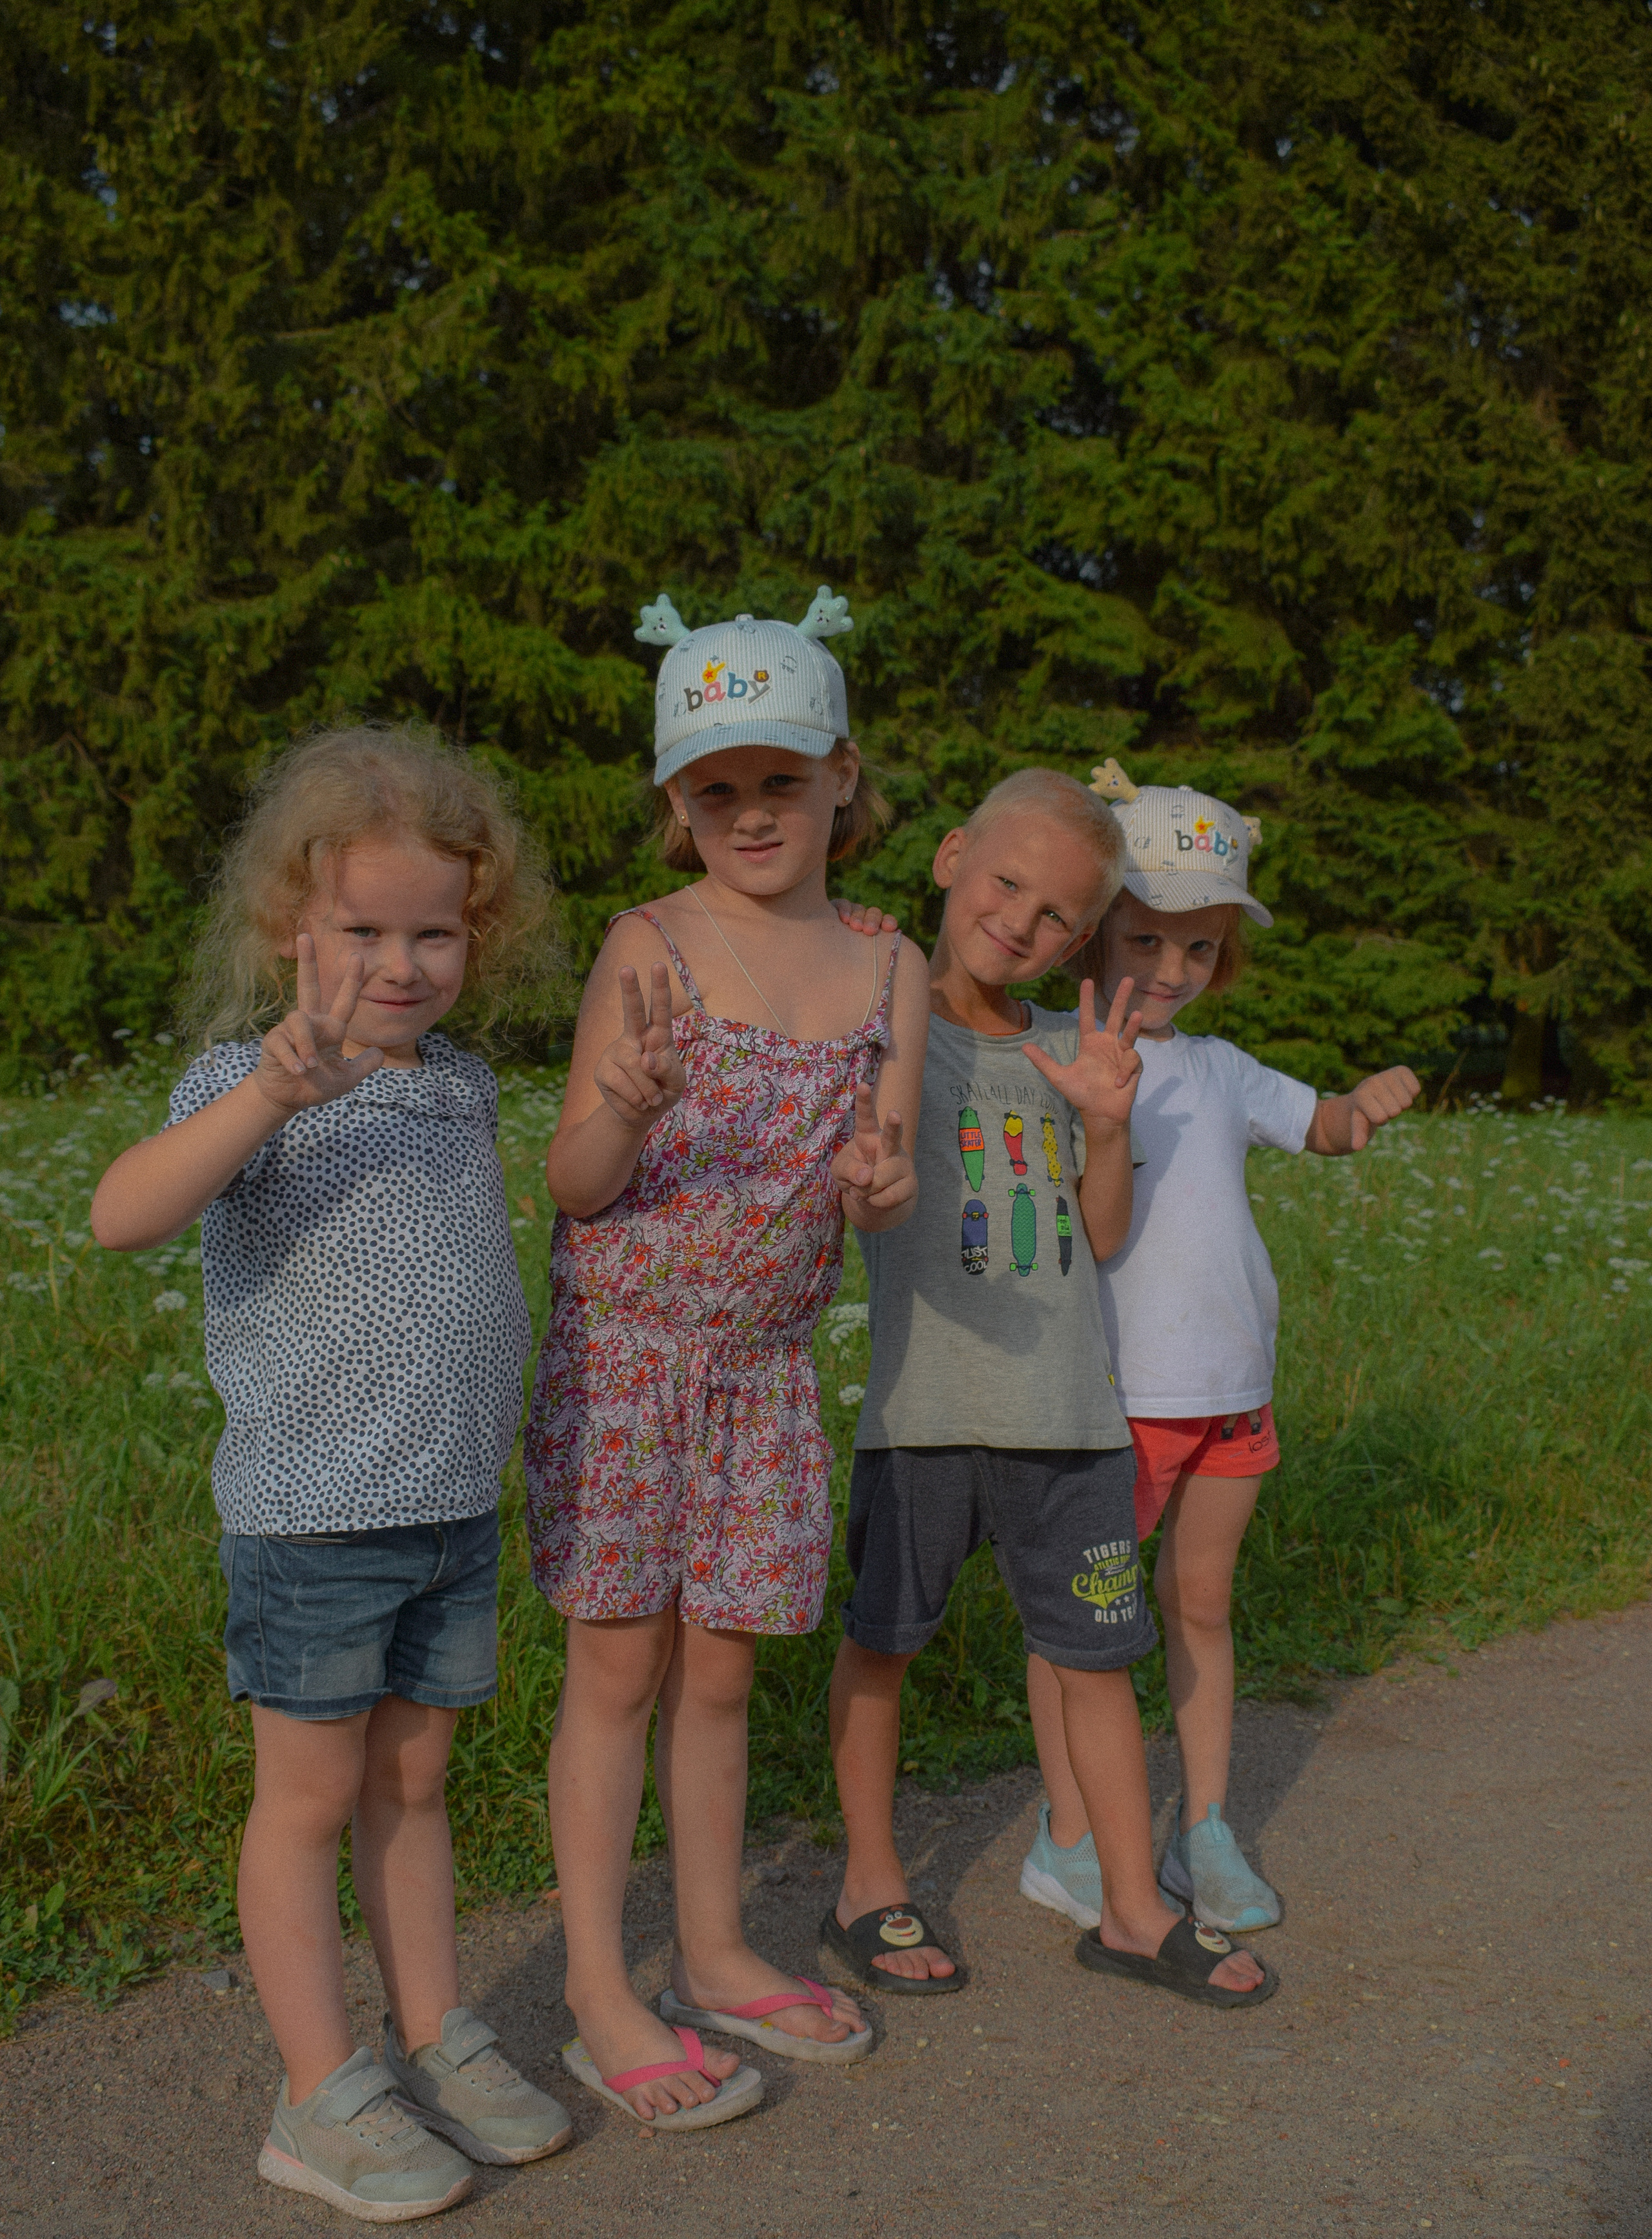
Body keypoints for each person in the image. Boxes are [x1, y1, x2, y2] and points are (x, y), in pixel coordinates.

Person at [90, 728, 571, 2222]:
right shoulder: (251, 1076)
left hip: (445, 1506)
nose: (401, 960)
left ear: (475, 935)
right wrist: (264, 1102)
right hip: (313, 1512)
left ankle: (433, 2034)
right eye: (363, 929)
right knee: (304, 1799)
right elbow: (121, 1216)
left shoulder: (461, 1089)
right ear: (293, 933)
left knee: (414, 1785)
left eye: (434, 929)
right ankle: (317, 2090)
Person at [526, 589, 931, 2130]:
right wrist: (620, 1110)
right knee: (618, 1664)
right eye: (714, 789)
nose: (748, 812)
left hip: (761, 1376)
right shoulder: (650, 941)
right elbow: (568, 1184)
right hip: (628, 1366)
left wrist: (880, 1187)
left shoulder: (886, 963)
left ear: (841, 773)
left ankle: (707, 1947)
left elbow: (879, 1162)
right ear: (672, 806)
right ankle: (591, 1981)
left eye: (777, 779)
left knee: (722, 1668)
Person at [823, 769, 1273, 2011]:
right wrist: (864, 1186)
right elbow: (867, 1190)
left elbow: (1104, 1232)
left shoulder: (1084, 1047)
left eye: (1056, 914)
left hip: (1072, 1417)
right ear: (951, 858)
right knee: (882, 1645)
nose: (1021, 922)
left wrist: (1111, 1127)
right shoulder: (887, 1023)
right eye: (1004, 884)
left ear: (1083, 939)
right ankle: (868, 1882)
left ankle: (1131, 1909)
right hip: (924, 1414)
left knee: (1097, 1659)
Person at [1019, 762, 1418, 1938]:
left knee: (1200, 1608)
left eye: (1199, 951)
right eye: (1146, 940)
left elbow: (1325, 1126)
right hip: (1113, 1399)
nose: (1173, 972)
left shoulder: (1223, 1070)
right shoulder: (1051, 1051)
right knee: (1083, 1631)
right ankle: (1071, 1833)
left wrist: (1365, 1104)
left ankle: (1204, 1828)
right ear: (1094, 931)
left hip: (1232, 1393)